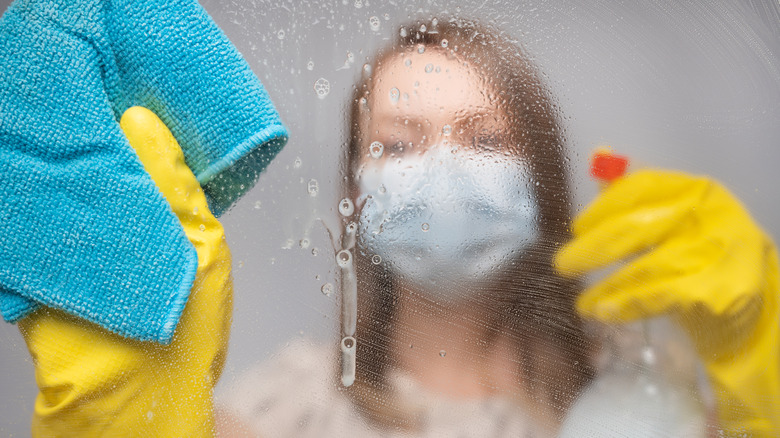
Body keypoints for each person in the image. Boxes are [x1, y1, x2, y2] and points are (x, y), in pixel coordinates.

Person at [219, 18, 780, 437]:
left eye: (485, 140)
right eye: (398, 145)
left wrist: (755, 359)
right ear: (354, 197)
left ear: (540, 175)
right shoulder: (285, 407)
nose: (442, 171)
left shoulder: (640, 390)